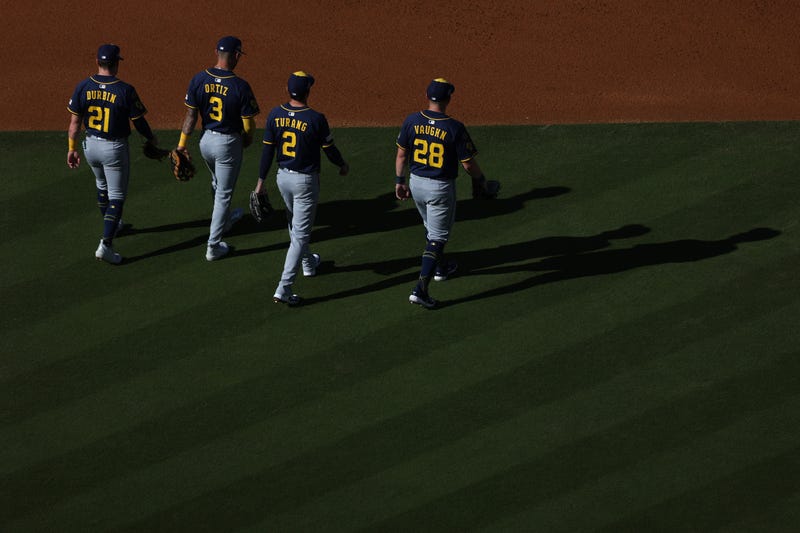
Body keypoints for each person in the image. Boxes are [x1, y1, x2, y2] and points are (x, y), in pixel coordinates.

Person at [395, 78, 491, 308]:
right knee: (437, 238)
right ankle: (421, 289)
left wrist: (399, 181)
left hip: (416, 183)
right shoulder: (454, 127)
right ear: (448, 98)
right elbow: (468, 164)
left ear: (427, 96)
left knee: (431, 229)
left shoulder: (412, 120)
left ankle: (440, 267)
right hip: (439, 188)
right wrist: (481, 180)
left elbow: (401, 155)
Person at [255, 71, 349, 305]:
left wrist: (260, 182)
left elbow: (267, 152)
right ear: (308, 92)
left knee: (294, 223)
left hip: (282, 178)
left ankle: (308, 263)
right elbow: (330, 150)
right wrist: (342, 164)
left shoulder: (275, 114)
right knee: (299, 234)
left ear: (287, 91)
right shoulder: (316, 118)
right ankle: (284, 288)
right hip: (305, 182)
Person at [67, 44, 158, 264]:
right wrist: (150, 138)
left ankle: (114, 224)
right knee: (117, 196)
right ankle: (106, 244)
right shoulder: (124, 89)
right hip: (114, 149)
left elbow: (74, 122)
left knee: (102, 186)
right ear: (116, 63)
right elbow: (139, 121)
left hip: (91, 147)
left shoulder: (83, 86)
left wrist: (71, 148)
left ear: (98, 62)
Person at [176, 36, 260, 261]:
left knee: (216, 182)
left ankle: (224, 221)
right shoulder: (240, 85)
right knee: (224, 193)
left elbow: (191, 115)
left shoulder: (199, 79)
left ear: (216, 52)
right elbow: (248, 121)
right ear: (235, 56)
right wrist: (249, 137)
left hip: (206, 143)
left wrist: (182, 145)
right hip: (227, 144)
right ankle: (213, 246)